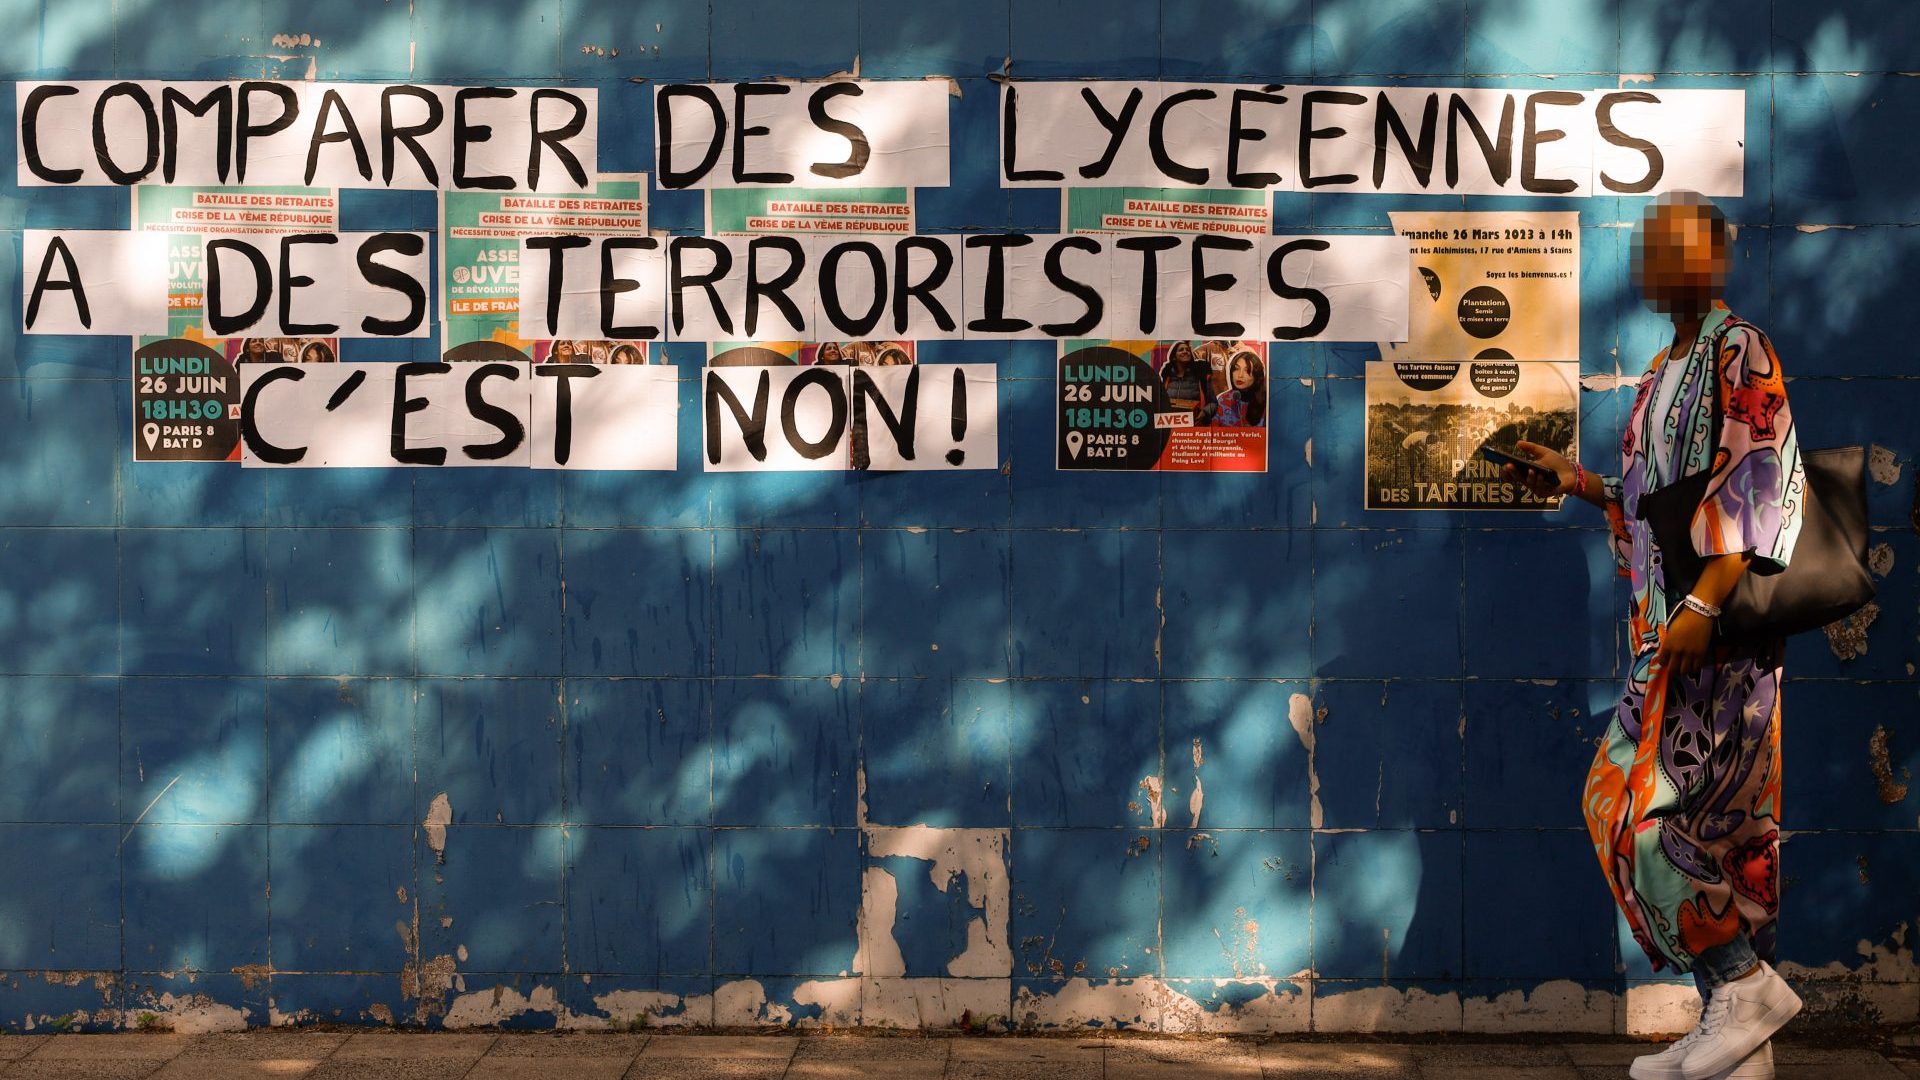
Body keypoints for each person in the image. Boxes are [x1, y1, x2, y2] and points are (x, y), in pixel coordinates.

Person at [1506, 192, 1804, 1080]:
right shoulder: (1661, 367)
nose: (1660, 265)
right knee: (1697, 830)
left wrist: (1706, 605)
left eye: (1679, 248)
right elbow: (1654, 508)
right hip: (1668, 632)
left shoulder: (1735, 346)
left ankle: (1739, 985)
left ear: (1716, 257)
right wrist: (1580, 481)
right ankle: (1736, 1032)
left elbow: (1761, 479)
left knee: (1634, 809)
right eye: (1651, 249)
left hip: (1715, 637)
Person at [1159, 341, 1216, 423]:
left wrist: (1205, 412)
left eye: (1187, 350)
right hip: (1170, 424)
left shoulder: (1200, 375)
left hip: (1194, 425)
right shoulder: (1167, 376)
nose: (1185, 351)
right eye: (1181, 350)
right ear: (1174, 357)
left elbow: (1213, 403)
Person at [1212, 351, 1266, 427]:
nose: (1240, 375)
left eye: (1247, 370)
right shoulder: (1223, 400)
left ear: (1256, 375)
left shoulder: (1267, 401)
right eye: (1236, 369)